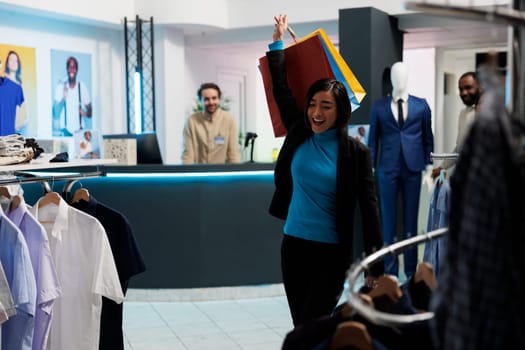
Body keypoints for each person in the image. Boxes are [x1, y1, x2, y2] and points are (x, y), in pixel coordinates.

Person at [266, 14, 384, 327]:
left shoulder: (355, 153)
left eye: (326, 106)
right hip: (293, 246)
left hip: (331, 253)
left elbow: (370, 210)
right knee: (301, 328)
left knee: (315, 324)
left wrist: (376, 267)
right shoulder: (299, 131)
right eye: (312, 104)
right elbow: (281, 88)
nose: (316, 112)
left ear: (340, 111)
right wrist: (277, 41)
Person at [368, 61, 434, 280]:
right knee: (388, 222)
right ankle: (391, 271)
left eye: (402, 75)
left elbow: (428, 139)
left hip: (413, 168)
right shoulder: (378, 107)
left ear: (407, 78)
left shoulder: (421, 105)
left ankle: (411, 270)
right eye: (396, 75)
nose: (399, 79)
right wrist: (371, 167)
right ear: (392, 79)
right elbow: (373, 141)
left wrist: (428, 168)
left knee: (411, 222)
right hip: (387, 168)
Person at [431, 71, 481, 179]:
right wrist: (442, 167)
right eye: (461, 89)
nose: (463, 93)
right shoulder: (463, 114)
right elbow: (460, 149)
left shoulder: (489, 114)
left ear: (479, 87)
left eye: (468, 87)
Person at [182, 82, 241, 164]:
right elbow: (188, 156)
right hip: (198, 174)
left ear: (219, 99)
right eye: (206, 99)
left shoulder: (229, 120)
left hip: (222, 174)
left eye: (214, 98)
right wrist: (188, 175)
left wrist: (235, 174)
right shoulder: (191, 121)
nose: (211, 102)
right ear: (200, 100)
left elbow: (233, 154)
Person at [53, 56, 92, 137]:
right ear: (67, 69)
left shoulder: (82, 87)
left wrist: (85, 113)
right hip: (65, 132)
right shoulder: (61, 87)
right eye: (69, 67)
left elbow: (90, 112)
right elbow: (55, 113)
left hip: (80, 132)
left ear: (76, 70)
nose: (71, 69)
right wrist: (63, 98)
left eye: (74, 67)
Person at [0, 56, 25, 136]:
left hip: (7, 141)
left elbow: (23, 118)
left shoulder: (15, 88)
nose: (14, 62)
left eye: (16, 60)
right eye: (11, 60)